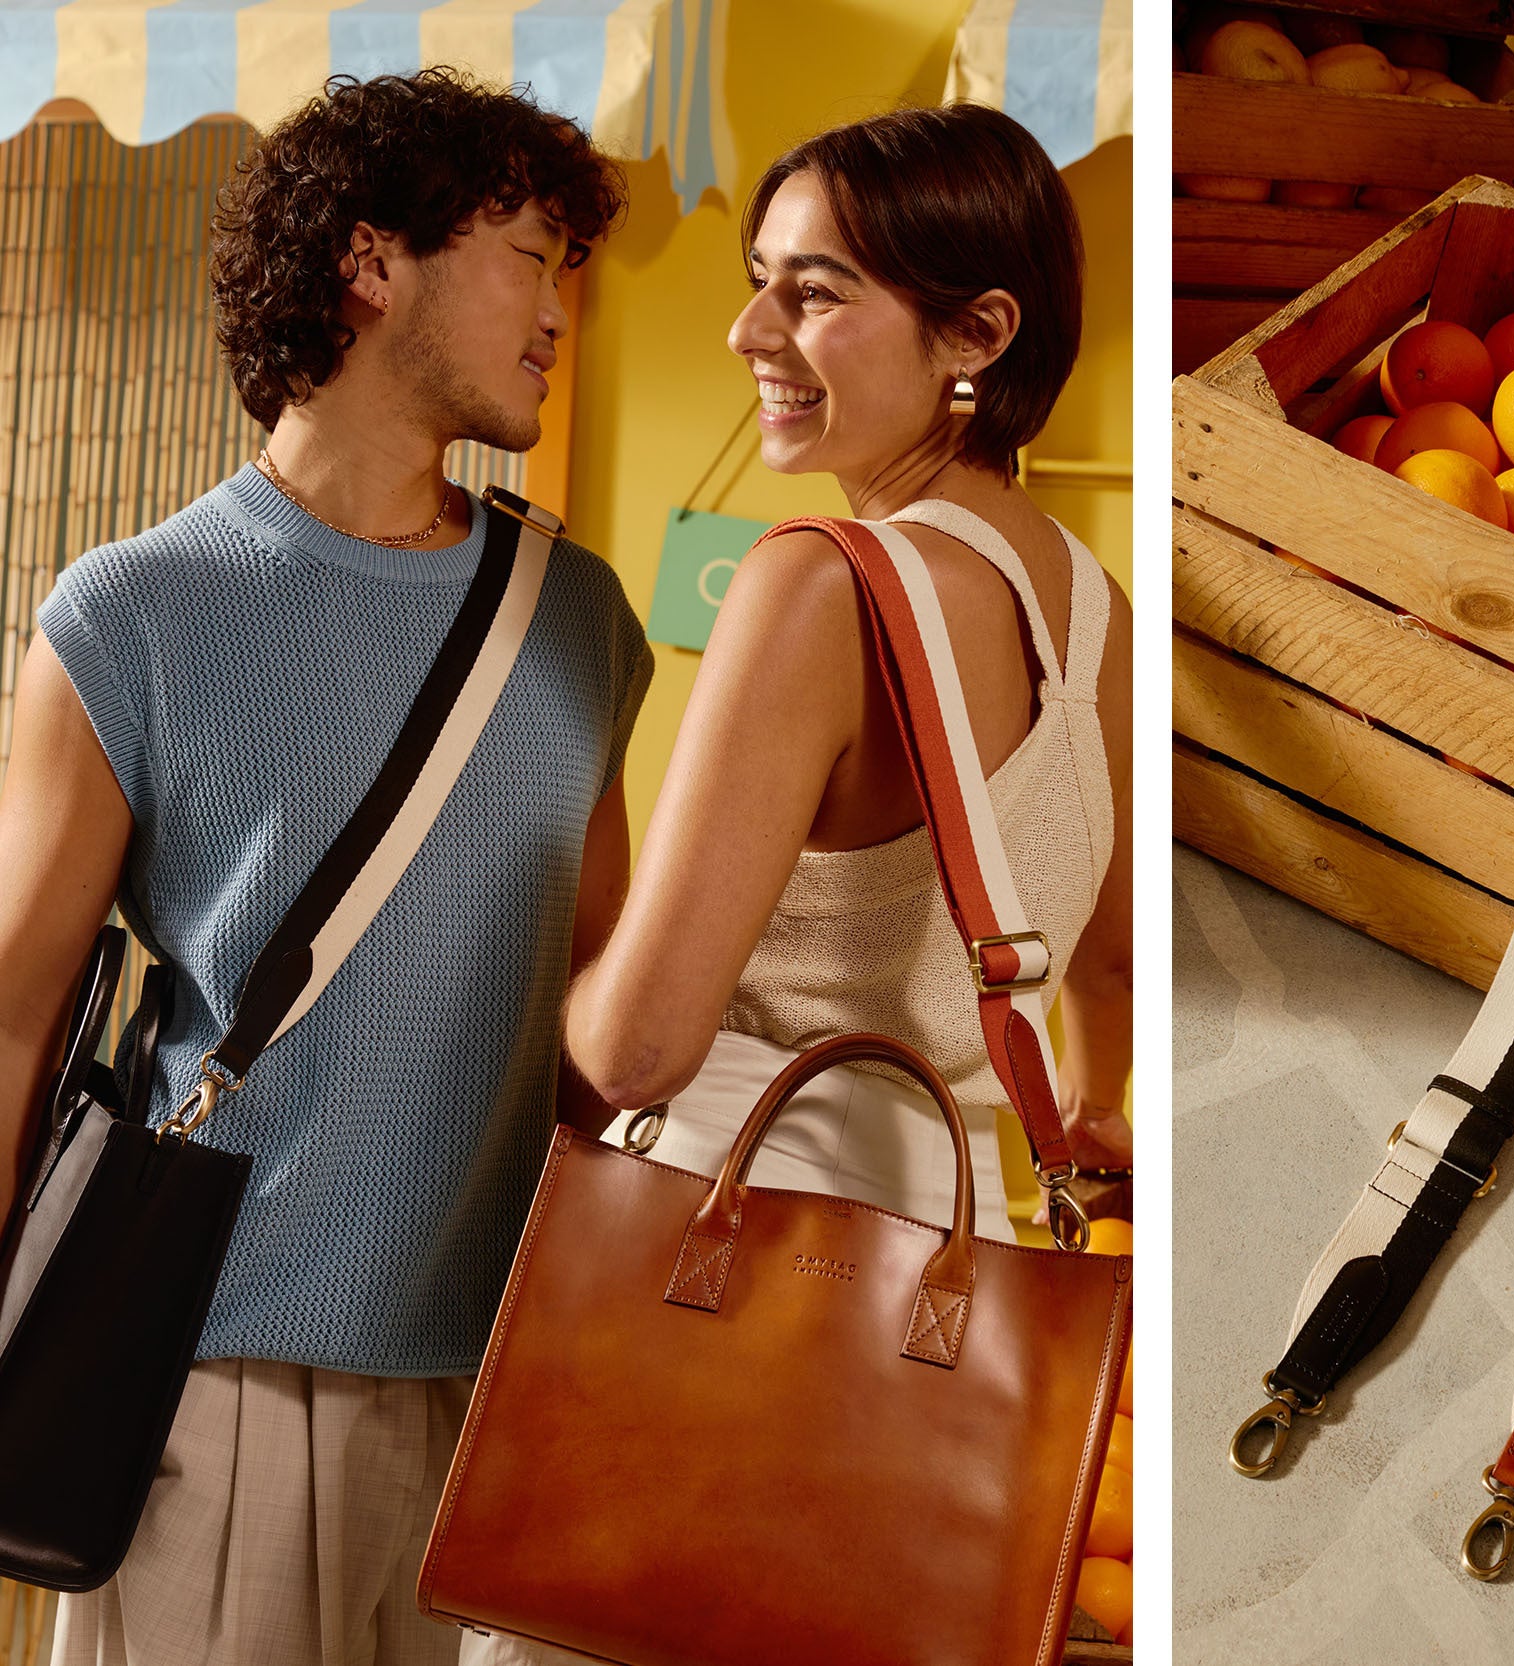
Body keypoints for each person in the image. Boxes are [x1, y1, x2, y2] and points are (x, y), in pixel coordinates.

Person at [0, 70, 647, 1665]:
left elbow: (602, 1006)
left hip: (509, 1388)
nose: (558, 312)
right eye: (528, 254)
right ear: (372, 263)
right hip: (215, 1376)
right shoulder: (130, 616)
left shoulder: (578, 620)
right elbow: (13, 1020)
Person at [565, 103, 1133, 1269]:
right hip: (942, 1234)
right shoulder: (1099, 613)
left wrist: (556, 964)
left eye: (814, 295)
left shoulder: (819, 586)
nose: (747, 330)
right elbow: (1111, 963)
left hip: (724, 1232)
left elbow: (636, 1053)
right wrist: (1089, 1108)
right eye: (761, 279)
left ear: (976, 334)